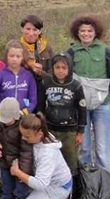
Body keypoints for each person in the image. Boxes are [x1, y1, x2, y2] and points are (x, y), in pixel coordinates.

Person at [66, 16, 110, 170]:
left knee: (102, 148)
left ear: (96, 33)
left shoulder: (104, 50)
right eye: (82, 31)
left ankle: (105, 183)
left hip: (102, 105)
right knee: (84, 147)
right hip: (80, 107)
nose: (86, 34)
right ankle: (86, 183)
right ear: (77, 32)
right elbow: (66, 79)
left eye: (89, 31)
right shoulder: (71, 51)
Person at [43, 52, 87, 197]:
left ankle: (73, 193)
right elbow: (40, 107)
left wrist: (80, 131)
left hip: (69, 131)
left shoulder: (76, 86)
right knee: (50, 161)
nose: (60, 70)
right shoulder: (46, 83)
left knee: (71, 162)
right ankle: (51, 192)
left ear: (69, 69)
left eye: (64, 67)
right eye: (57, 67)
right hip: (50, 129)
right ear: (52, 68)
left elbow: (82, 108)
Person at [10, 113, 73, 199]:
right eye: (22, 135)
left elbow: (40, 184)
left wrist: (17, 172)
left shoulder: (47, 154)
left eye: (27, 137)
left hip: (58, 187)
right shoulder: (40, 133)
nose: (23, 138)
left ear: (39, 134)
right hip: (47, 180)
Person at [0, 98, 33, 199]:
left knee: (20, 191)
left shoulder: (23, 127)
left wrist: (24, 172)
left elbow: (26, 152)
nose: (6, 122)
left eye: (8, 119)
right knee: (6, 188)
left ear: (16, 116)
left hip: (19, 165)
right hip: (4, 162)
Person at [19, 15, 55, 114]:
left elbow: (53, 75)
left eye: (35, 30)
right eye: (28, 29)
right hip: (22, 91)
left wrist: (41, 73)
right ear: (22, 29)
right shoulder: (16, 46)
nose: (31, 33)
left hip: (42, 92)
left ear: (39, 31)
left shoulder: (47, 48)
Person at [0, 40, 38, 114]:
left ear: (22, 57)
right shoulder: (0, 75)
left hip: (23, 115)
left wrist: (26, 111)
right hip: (4, 117)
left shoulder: (28, 75)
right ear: (6, 56)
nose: (14, 59)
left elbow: (33, 99)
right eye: (11, 56)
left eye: (18, 56)